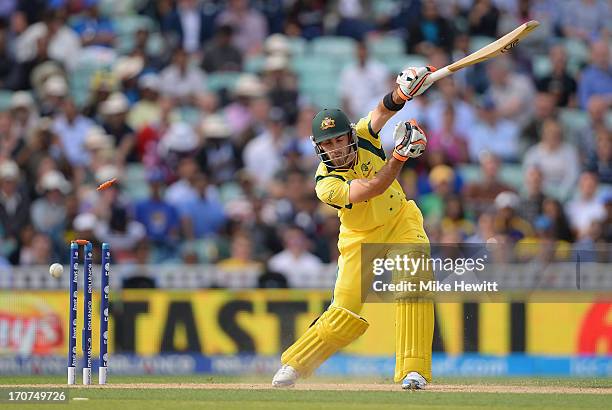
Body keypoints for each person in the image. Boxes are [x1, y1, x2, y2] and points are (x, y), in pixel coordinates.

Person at [272, 65, 436, 389]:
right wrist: (399, 158)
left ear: (350, 134)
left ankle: (412, 371)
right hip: (359, 237)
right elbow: (371, 188)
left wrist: (403, 90)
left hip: (400, 220)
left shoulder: (364, 134)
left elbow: (383, 109)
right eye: (327, 144)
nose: (335, 148)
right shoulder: (325, 183)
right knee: (344, 311)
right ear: (319, 148)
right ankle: (296, 364)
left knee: (413, 279)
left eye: (339, 139)